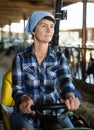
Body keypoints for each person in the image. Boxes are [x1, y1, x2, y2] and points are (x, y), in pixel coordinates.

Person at [10, 11, 82, 130]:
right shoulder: (20, 58)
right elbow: (18, 88)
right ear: (33, 30)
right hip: (29, 113)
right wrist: (24, 98)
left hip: (55, 111)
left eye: (52, 27)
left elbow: (66, 80)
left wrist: (69, 95)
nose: (49, 31)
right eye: (44, 26)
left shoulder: (59, 57)